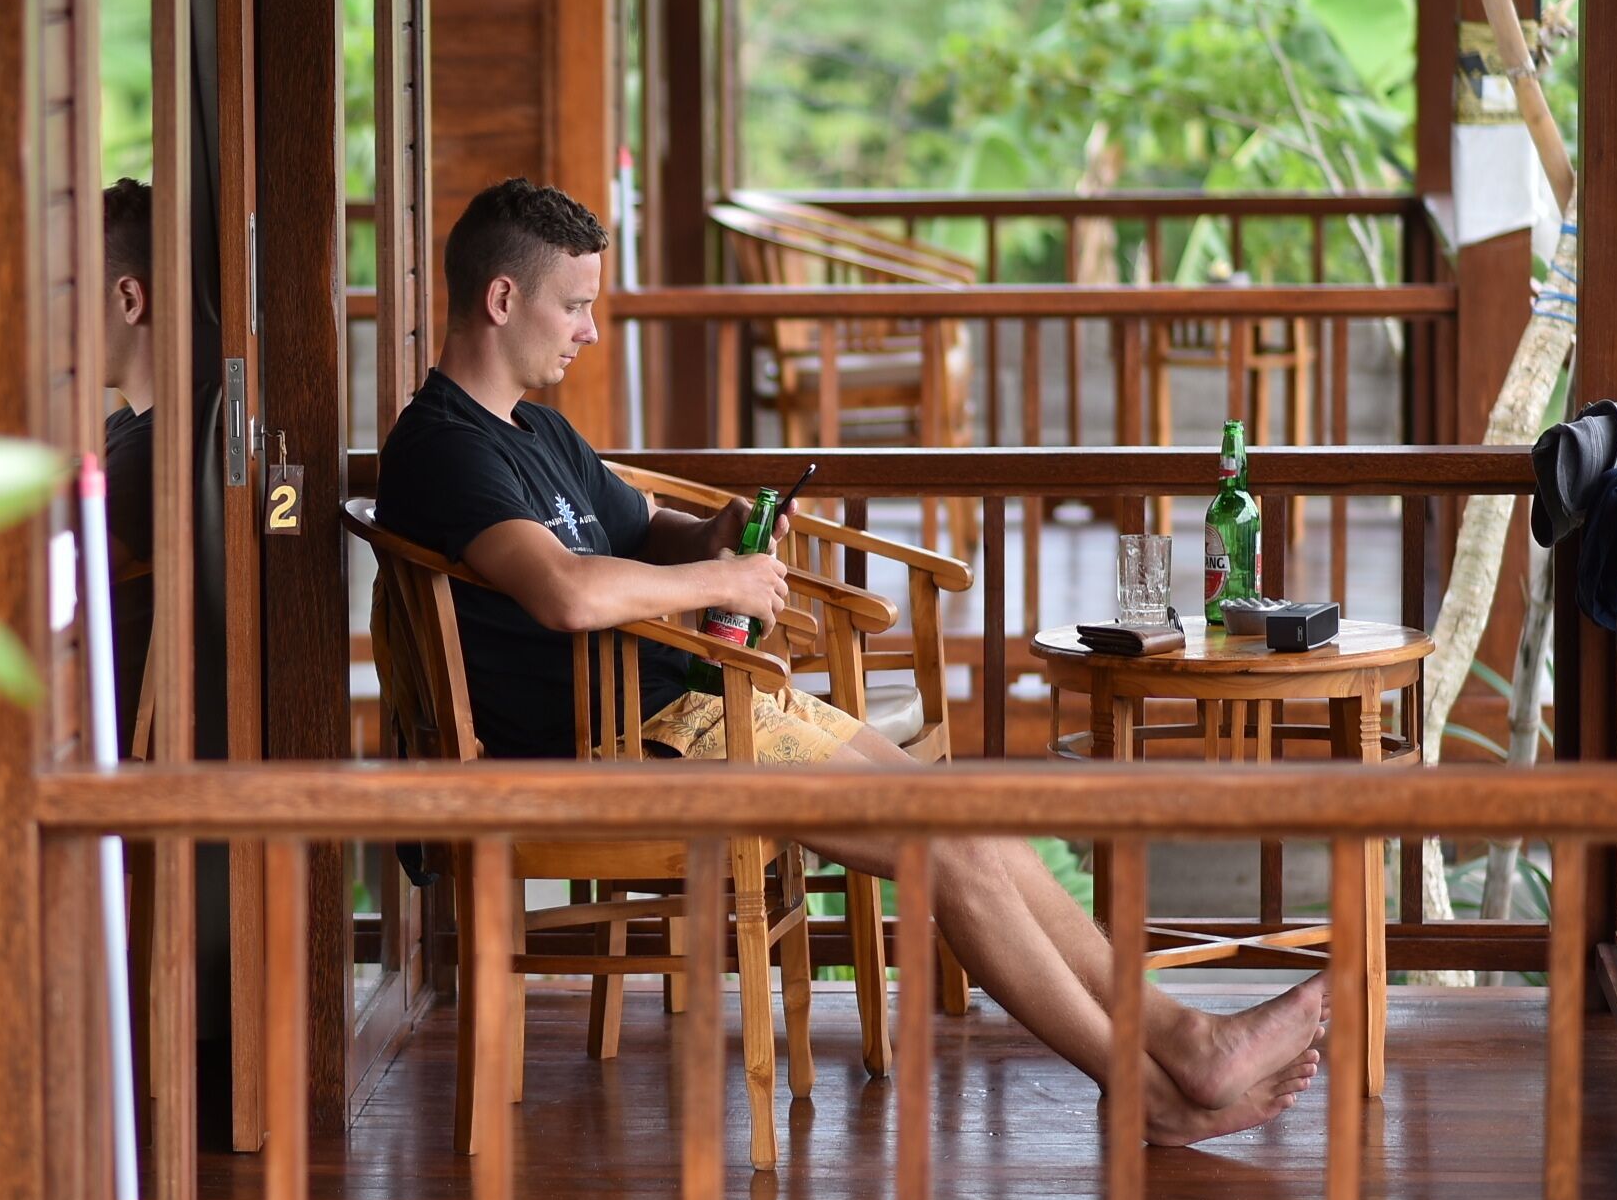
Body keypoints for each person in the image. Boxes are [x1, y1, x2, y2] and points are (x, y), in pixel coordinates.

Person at [376, 177, 1325, 1146]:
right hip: (621, 750)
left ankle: (1183, 1038)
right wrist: (732, 591)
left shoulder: (533, 432)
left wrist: (716, 536)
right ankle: (1146, 1092)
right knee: (940, 851)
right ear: (501, 301)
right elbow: (565, 591)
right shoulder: (444, 449)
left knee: (963, 812)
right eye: (572, 305)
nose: (586, 330)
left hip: (689, 713)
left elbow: (636, 532)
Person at [99, 177, 160, 745]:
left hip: (92, 740)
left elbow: (71, 584)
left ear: (129, 300)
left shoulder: (152, 451)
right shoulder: (130, 428)